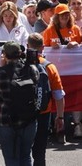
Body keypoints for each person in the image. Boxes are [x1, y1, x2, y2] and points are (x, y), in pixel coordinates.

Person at [0, 41, 39, 165]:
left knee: (11, 159)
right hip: (29, 119)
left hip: (7, 120)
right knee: (26, 156)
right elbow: (37, 80)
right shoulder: (31, 68)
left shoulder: (0, 72)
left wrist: (0, 66)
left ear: (4, 54)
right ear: (20, 53)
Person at [27, 33, 65, 165]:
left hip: (23, 113)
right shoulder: (50, 67)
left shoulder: (20, 65)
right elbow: (59, 95)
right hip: (43, 113)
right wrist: (60, 117)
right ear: (43, 47)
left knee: (22, 152)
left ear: (27, 46)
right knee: (40, 151)